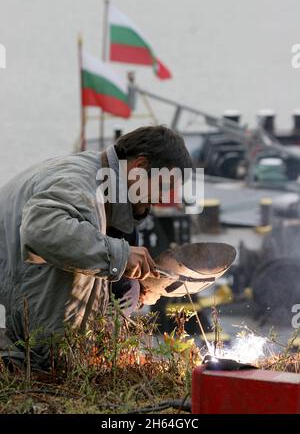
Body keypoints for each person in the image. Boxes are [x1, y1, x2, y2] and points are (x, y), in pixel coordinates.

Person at [0, 125, 192, 369]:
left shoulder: (99, 178)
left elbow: (80, 246)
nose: (165, 199)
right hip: (24, 347)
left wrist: (126, 284)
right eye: (164, 187)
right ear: (140, 167)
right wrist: (120, 256)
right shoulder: (80, 184)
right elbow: (42, 230)